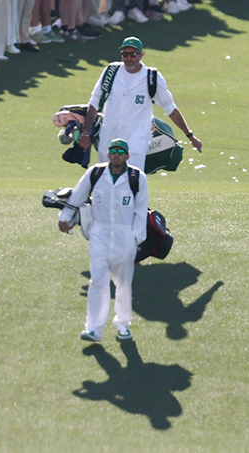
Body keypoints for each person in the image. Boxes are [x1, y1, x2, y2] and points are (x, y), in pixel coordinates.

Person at [58, 137, 147, 343]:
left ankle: (123, 324)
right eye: (113, 151)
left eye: (120, 152)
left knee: (123, 283)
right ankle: (94, 329)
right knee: (97, 281)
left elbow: (141, 211)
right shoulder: (95, 173)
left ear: (127, 156)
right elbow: (77, 197)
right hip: (100, 234)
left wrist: (135, 238)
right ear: (108, 154)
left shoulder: (137, 177)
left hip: (125, 236)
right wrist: (64, 218)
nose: (116, 155)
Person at [86, 37, 202, 170]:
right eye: (125, 54)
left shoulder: (152, 77)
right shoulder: (110, 72)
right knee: (104, 181)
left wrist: (190, 135)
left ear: (141, 55)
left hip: (136, 141)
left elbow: (170, 108)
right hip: (108, 139)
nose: (129, 58)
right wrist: (85, 132)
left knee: (131, 181)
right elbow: (94, 103)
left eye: (133, 54)